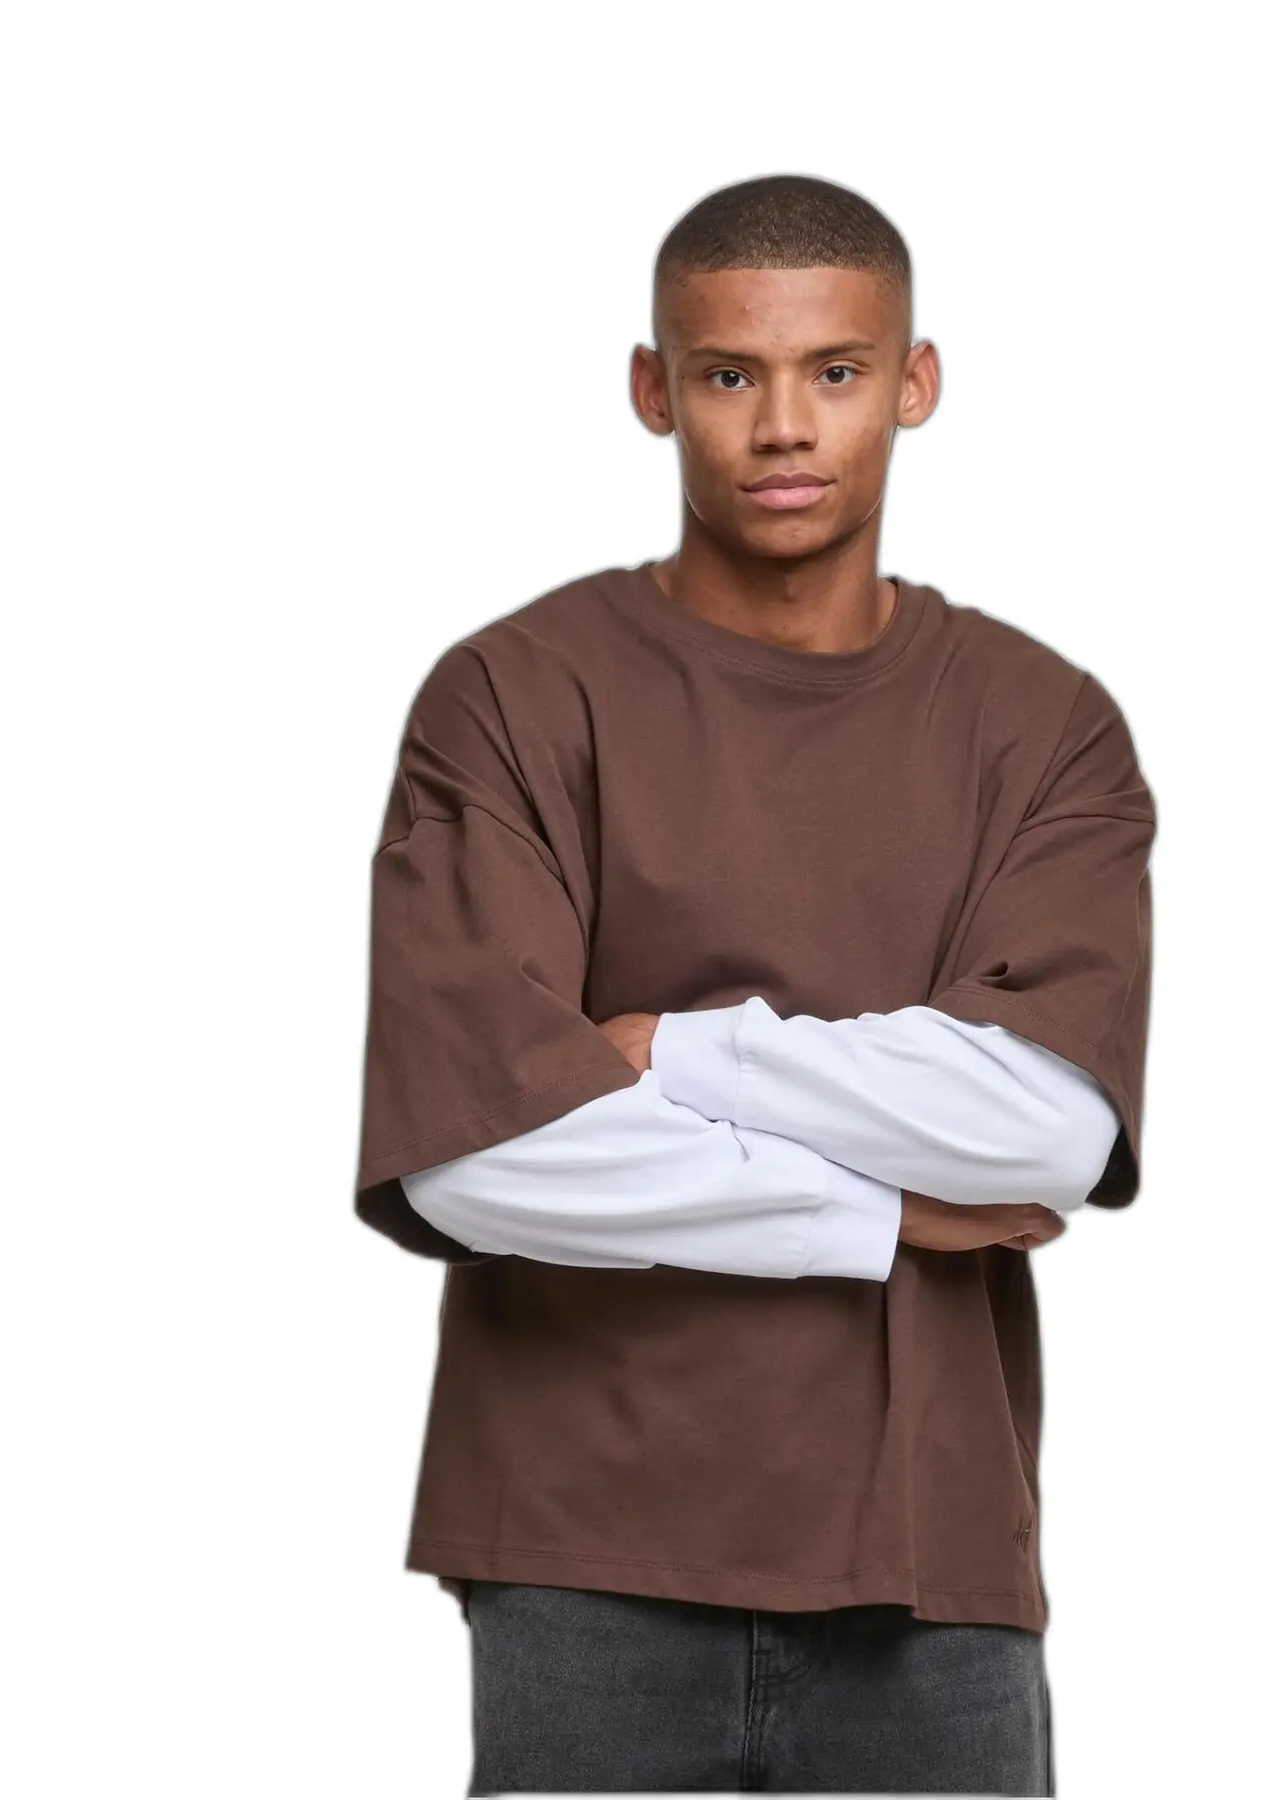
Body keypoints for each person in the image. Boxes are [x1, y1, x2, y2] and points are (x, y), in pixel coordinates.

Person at [352, 172, 1157, 1796]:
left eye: (834, 371)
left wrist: (677, 1054)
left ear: (914, 382)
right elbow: (477, 1154)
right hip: (579, 1545)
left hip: (930, 1547)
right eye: (729, 373)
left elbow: (1045, 1131)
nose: (783, 425)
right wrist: (887, 1210)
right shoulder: (512, 698)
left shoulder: (1041, 726)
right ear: (654, 390)